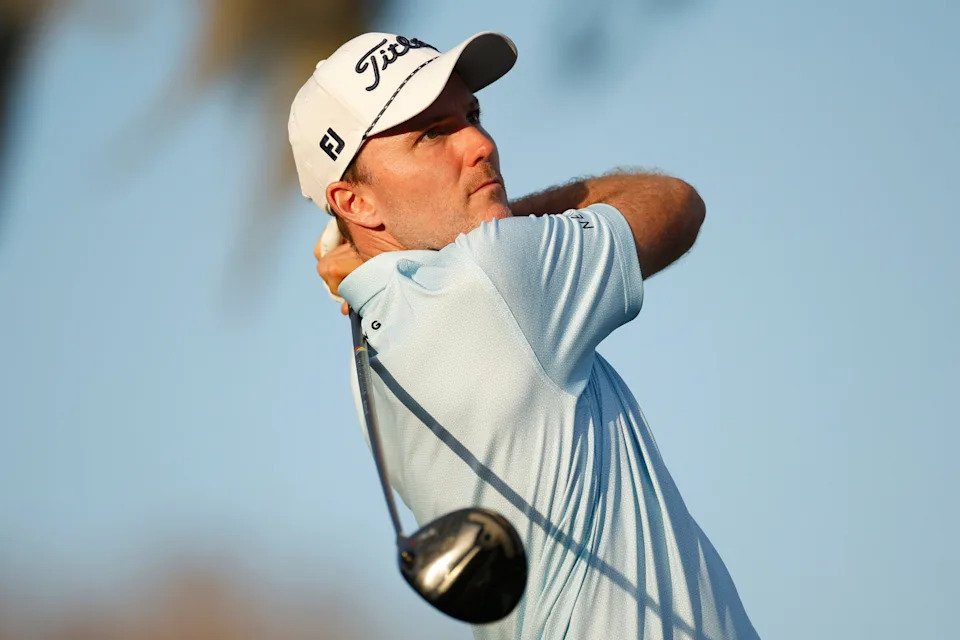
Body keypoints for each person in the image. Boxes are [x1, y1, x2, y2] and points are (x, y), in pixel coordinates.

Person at [289, 31, 760, 640]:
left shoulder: (369, 348)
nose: (481, 144)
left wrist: (357, 247)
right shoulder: (496, 278)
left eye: (473, 115)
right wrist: (507, 226)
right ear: (354, 200)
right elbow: (673, 202)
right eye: (432, 133)